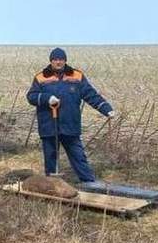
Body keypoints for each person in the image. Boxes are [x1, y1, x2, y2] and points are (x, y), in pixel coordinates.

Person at [26, 47, 115, 182]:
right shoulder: (41, 77)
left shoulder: (76, 76)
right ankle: (52, 186)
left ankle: (89, 183)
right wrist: (46, 98)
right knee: (51, 160)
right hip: (49, 126)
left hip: (70, 125)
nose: (58, 62)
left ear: (65, 61)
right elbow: (31, 96)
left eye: (61, 59)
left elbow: (90, 95)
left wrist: (106, 109)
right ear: (51, 61)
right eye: (55, 60)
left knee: (79, 157)